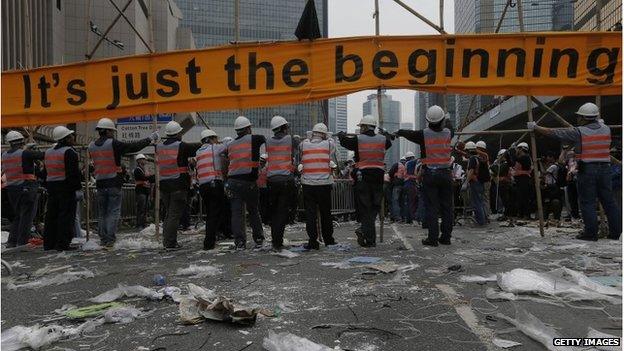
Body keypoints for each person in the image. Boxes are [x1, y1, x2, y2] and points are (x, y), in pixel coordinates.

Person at [529, 102, 621, 241]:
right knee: (609, 202)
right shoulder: (606, 129)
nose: (577, 119)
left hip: (588, 169)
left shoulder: (579, 132)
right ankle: (616, 233)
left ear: (584, 118)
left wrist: (536, 127)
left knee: (587, 202)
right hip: (605, 169)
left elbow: (555, 133)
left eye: (579, 117)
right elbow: (599, 128)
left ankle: (591, 233)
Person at [88, 117, 155, 248]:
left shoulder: (91, 146)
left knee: (102, 212)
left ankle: (103, 238)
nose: (113, 133)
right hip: (113, 183)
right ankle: (110, 239)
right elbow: (132, 147)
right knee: (113, 211)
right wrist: (149, 139)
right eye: (112, 131)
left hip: (100, 183)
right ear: (107, 131)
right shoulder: (112, 143)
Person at [396, 106, 454, 246]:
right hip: (446, 174)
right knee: (447, 207)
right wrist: (446, 117)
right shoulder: (449, 132)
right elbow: (450, 125)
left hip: (430, 175)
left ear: (428, 120)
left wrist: (399, 132)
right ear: (442, 120)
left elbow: (409, 133)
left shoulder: (423, 134)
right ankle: (446, 237)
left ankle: (432, 239)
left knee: (432, 207)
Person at [338, 115, 392, 247]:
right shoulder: (382, 139)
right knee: (374, 206)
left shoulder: (358, 139)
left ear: (365, 126)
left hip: (363, 176)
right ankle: (366, 232)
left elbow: (346, 142)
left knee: (365, 207)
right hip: (378, 176)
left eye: (361, 126)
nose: (360, 129)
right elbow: (389, 141)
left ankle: (368, 236)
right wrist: (385, 133)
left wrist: (341, 135)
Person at [157, 121, 201, 249]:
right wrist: (206, 141)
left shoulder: (160, 147)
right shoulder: (181, 146)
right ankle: (170, 243)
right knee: (174, 215)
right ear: (178, 134)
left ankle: (167, 241)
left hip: (165, 186)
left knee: (168, 214)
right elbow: (195, 147)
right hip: (178, 186)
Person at [225, 116, 266, 250]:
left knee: (237, 213)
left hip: (232, 181)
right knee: (253, 211)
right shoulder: (255, 138)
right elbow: (268, 141)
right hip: (248, 182)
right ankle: (258, 238)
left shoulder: (230, 144)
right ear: (248, 128)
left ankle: (240, 242)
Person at [299, 123, 338, 250]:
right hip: (324, 184)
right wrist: (327, 136)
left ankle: (312, 241)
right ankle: (328, 240)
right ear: (324, 134)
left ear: (313, 133)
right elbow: (332, 142)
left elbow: (302, 144)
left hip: (308, 184)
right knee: (326, 213)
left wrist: (309, 136)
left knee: (310, 214)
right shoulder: (328, 144)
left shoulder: (304, 144)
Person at [2, 131, 44, 247]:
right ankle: (22, 242)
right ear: (21, 141)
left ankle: (12, 241)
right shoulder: (24, 154)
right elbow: (43, 156)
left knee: (18, 216)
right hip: (26, 188)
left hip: (12, 189)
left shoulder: (4, 155)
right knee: (27, 216)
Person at [43, 126, 82, 251]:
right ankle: (63, 244)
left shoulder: (48, 152)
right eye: (70, 136)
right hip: (66, 187)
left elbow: (45, 171)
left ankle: (49, 244)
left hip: (52, 187)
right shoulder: (69, 152)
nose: (73, 138)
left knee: (51, 216)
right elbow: (73, 173)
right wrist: (78, 189)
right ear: (65, 139)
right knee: (66, 216)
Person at [265, 116, 298, 251]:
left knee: (274, 212)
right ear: (284, 128)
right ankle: (278, 242)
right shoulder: (291, 139)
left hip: (271, 181)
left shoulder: (268, 141)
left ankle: (275, 240)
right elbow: (298, 145)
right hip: (285, 180)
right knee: (282, 212)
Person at [196, 129, 228, 250]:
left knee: (211, 213)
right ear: (210, 139)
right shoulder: (215, 148)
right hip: (214, 184)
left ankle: (211, 239)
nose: (217, 140)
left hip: (204, 187)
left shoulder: (198, 151)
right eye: (215, 138)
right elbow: (228, 145)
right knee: (215, 214)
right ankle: (209, 243)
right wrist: (221, 142)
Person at [506, 142, 533, 220]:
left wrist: (512, 151)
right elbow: (511, 164)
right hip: (519, 180)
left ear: (521, 149)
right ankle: (520, 214)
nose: (517, 150)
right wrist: (507, 155)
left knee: (525, 198)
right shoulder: (519, 158)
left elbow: (515, 160)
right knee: (520, 198)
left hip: (524, 179)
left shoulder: (526, 157)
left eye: (518, 149)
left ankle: (526, 215)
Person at [465, 141, 488, 226]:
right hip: (480, 182)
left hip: (475, 182)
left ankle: (480, 221)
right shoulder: (479, 158)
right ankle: (484, 220)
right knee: (481, 202)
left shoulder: (472, 159)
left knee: (476, 203)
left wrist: (466, 182)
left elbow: (471, 171)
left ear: (468, 151)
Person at [490, 149, 513, 221]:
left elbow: (498, 172)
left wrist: (492, 166)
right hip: (501, 183)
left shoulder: (505, 164)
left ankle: (507, 214)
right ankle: (506, 214)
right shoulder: (502, 164)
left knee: (505, 200)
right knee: (503, 199)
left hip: (504, 183)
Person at [133, 153, 154, 229]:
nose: (145, 161)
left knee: (145, 208)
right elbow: (144, 178)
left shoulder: (143, 169)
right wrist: (153, 177)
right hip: (141, 191)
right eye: (143, 159)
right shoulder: (137, 170)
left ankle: (143, 223)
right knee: (141, 208)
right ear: (139, 161)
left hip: (145, 191)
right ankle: (139, 225)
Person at [541, 153, 563, 225]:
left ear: (552, 158)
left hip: (552, 191)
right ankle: (546, 218)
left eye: (548, 157)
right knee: (546, 202)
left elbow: (544, 172)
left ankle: (556, 218)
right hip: (551, 191)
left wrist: (539, 163)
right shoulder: (555, 166)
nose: (547, 159)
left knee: (552, 202)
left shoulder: (553, 166)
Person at [476, 141, 492, 218]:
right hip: (485, 180)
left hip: (485, 181)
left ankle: (485, 215)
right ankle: (485, 214)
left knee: (484, 198)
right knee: (484, 198)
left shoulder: (484, 156)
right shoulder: (481, 156)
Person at [403, 152, 417, 223]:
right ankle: (412, 218)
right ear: (412, 157)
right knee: (412, 202)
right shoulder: (412, 163)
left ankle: (408, 219)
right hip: (411, 184)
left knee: (408, 202)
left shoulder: (406, 164)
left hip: (406, 184)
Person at [257, 154, 270, 225]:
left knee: (263, 205)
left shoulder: (266, 169)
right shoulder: (257, 168)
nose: (261, 162)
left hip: (264, 189)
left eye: (262, 161)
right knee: (259, 205)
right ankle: (261, 220)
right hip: (259, 189)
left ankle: (264, 219)